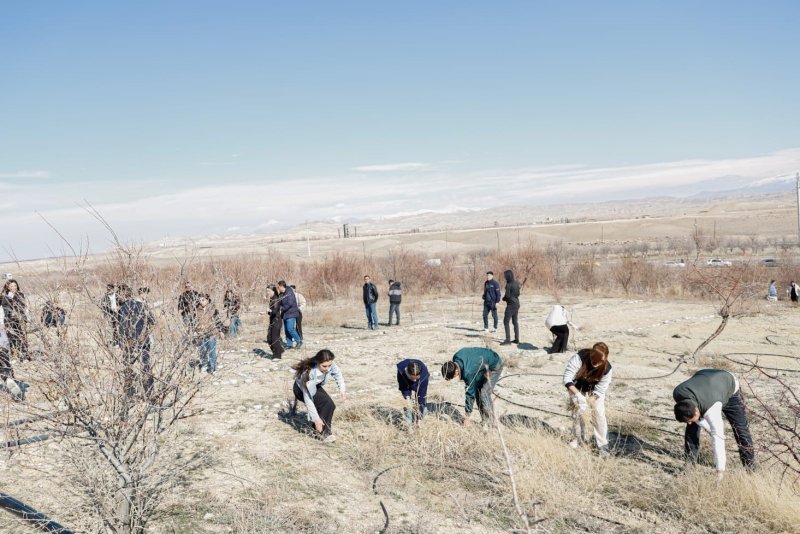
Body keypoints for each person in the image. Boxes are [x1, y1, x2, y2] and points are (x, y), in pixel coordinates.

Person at [673, 369, 756, 478]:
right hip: (705, 380)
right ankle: (689, 463)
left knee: (740, 429)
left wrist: (720, 472)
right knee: (692, 427)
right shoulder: (678, 393)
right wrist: (700, 424)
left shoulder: (712, 409)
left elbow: (718, 436)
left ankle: (750, 469)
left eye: (690, 419)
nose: (688, 422)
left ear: (697, 410)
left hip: (729, 386)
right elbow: (695, 419)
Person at [562, 342, 612, 457]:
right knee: (578, 411)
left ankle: (603, 446)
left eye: (601, 361)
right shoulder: (580, 358)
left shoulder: (607, 368)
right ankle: (577, 438)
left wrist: (590, 401)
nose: (597, 364)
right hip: (576, 387)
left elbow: (600, 389)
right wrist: (579, 396)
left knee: (598, 414)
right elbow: (567, 378)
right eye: (595, 361)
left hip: (594, 391)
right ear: (591, 355)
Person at [292, 349, 345, 443]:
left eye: (329, 365)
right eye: (324, 366)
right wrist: (316, 419)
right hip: (301, 390)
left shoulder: (330, 363)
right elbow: (308, 399)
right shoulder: (309, 373)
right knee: (326, 403)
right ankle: (323, 434)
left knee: (330, 405)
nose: (327, 368)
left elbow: (337, 374)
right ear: (317, 362)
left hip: (314, 386)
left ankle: (317, 429)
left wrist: (342, 390)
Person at [441, 347, 504, 426]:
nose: (454, 378)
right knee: (478, 392)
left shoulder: (468, 372)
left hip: (494, 365)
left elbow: (470, 394)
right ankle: (485, 420)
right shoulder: (456, 357)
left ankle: (491, 423)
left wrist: (467, 417)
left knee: (484, 393)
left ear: (456, 371)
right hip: (482, 364)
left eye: (453, 376)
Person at [118, 285, 156, 394]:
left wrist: (121, 343)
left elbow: (121, 326)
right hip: (144, 340)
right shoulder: (142, 305)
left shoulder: (123, 308)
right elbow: (152, 321)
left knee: (128, 367)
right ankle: (149, 392)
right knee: (146, 366)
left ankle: (130, 392)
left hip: (129, 342)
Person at [191, 293, 225, 374]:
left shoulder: (213, 309)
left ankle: (213, 368)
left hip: (212, 333)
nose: (201, 302)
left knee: (212, 351)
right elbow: (194, 322)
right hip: (201, 334)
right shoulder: (196, 310)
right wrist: (194, 331)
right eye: (200, 300)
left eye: (203, 300)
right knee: (203, 351)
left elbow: (217, 321)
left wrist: (221, 331)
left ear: (207, 300)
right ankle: (204, 365)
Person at [2, 279, 29, 360]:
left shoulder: (20, 295)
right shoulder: (5, 296)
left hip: (20, 320)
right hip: (9, 321)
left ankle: (24, 356)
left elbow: (23, 307)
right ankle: (14, 357)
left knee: (22, 337)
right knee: (12, 338)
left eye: (15, 285)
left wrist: (26, 319)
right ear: (8, 287)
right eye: (12, 286)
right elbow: (6, 309)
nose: (14, 287)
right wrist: (10, 298)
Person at [396, 359, 429, 423]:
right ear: (407, 373)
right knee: (408, 404)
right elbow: (403, 387)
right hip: (406, 381)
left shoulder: (424, 377)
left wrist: (419, 419)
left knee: (421, 404)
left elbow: (422, 396)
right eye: (412, 378)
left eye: (416, 378)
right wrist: (407, 397)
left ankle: (419, 418)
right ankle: (409, 424)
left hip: (421, 382)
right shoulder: (401, 372)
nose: (414, 380)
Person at [276, 281, 302, 349]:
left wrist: (281, 308)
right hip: (285, 314)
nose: (278, 288)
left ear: (282, 286)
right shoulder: (281, 294)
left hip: (291, 313)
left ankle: (299, 341)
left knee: (290, 329)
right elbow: (278, 302)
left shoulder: (289, 292)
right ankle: (289, 344)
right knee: (287, 330)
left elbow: (290, 304)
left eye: (278, 287)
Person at [500, 270, 520, 345]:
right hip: (517, 303)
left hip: (511, 305)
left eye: (505, 276)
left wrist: (503, 299)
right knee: (515, 321)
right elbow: (518, 293)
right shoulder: (516, 283)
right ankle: (517, 339)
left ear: (508, 276)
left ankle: (508, 340)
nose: (504, 277)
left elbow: (507, 296)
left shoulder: (508, 284)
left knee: (506, 321)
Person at [267, 285, 284, 360]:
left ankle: (277, 356)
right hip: (272, 321)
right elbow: (271, 312)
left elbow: (275, 311)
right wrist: (267, 312)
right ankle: (280, 350)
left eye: (269, 291)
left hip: (276, 321)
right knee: (269, 338)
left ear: (273, 291)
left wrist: (269, 310)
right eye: (267, 291)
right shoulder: (271, 299)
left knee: (274, 339)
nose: (267, 292)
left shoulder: (276, 299)